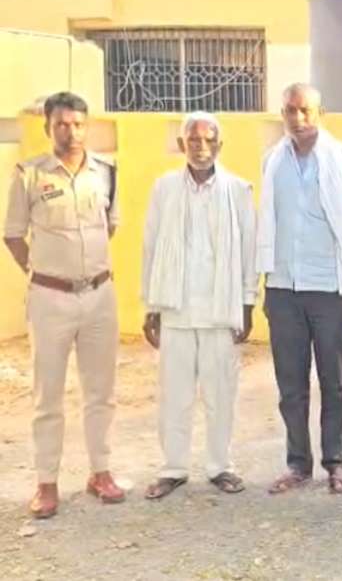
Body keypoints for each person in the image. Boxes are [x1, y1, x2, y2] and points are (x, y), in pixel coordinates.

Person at [4, 92, 123, 518]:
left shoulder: (106, 172)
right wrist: (42, 270)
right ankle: (46, 482)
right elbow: (13, 234)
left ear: (86, 126)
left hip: (99, 296)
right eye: (61, 124)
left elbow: (109, 227)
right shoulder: (30, 175)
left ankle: (101, 472)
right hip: (50, 299)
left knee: (101, 391)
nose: (71, 132)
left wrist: (83, 268)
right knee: (47, 395)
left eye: (77, 124)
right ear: (48, 127)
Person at [141, 112, 256, 499]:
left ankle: (220, 466)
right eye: (193, 140)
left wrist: (247, 303)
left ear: (220, 145)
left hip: (220, 309)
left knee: (220, 394)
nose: (201, 148)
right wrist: (151, 306)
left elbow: (248, 250)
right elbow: (151, 247)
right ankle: (173, 468)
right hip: (175, 307)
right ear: (182, 145)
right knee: (175, 394)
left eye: (209, 140)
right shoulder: (164, 189)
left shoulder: (238, 190)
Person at [258, 83, 342, 495]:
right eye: (290, 111)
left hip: (328, 288)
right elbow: (267, 225)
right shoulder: (272, 161)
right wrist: (264, 285)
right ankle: (298, 463)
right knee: (290, 384)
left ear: (321, 112)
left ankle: (336, 462)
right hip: (283, 286)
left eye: (305, 110)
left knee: (334, 382)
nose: (298, 119)